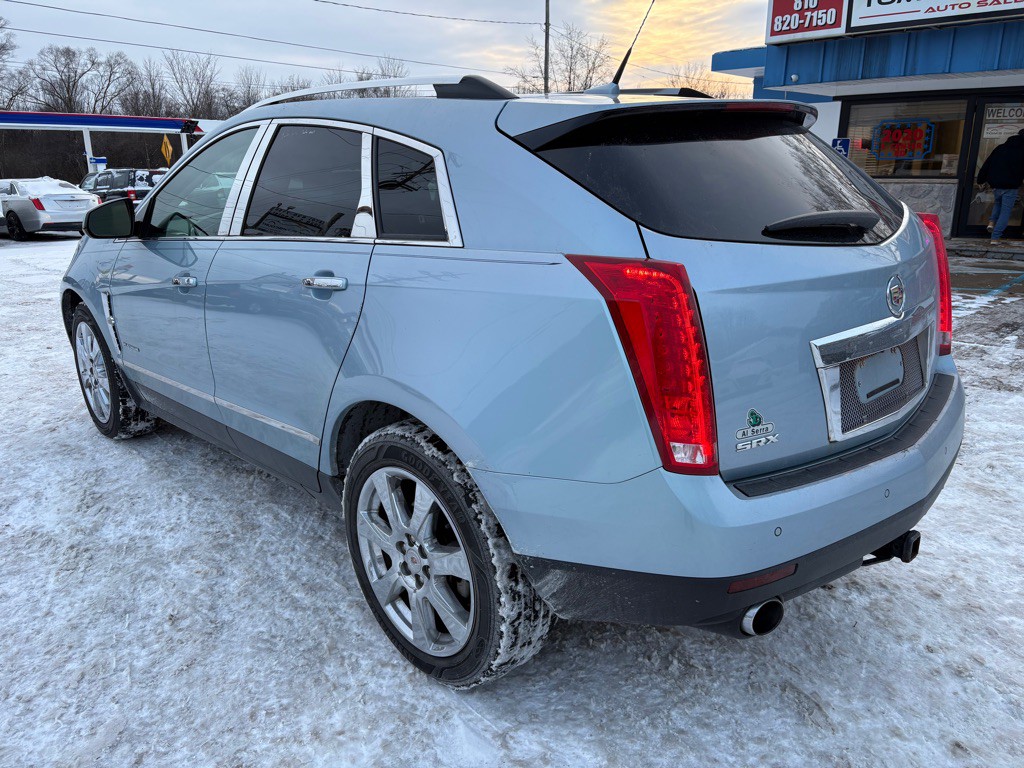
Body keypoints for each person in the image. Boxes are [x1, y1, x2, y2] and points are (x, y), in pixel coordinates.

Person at [977, 129, 1024, 242]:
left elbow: (987, 164)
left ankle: (991, 222)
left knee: (998, 204)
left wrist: (980, 180)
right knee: (1005, 211)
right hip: (1011, 186)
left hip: (997, 184)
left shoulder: (1000, 148)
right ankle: (995, 237)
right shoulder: (1022, 151)